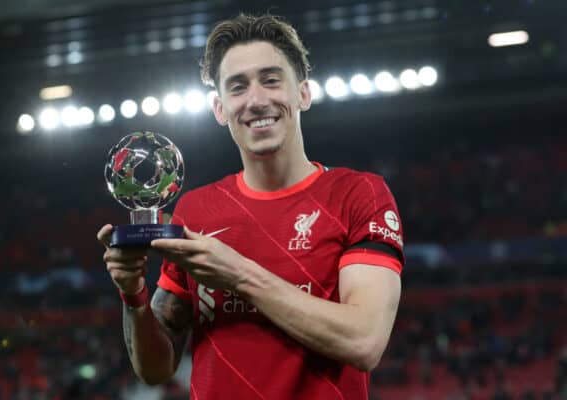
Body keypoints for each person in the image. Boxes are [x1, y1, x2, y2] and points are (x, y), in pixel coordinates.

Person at [98, 13, 404, 399]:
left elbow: (364, 341)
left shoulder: (358, 195)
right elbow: (156, 369)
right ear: (220, 108)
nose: (257, 100)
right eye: (238, 87)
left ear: (303, 94)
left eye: (271, 80)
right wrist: (133, 293)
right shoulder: (197, 210)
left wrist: (238, 274)